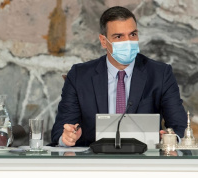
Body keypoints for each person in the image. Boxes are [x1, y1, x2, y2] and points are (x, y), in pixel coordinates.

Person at [51, 6, 187, 147]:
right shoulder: (79, 75)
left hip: (144, 161)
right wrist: (67, 137)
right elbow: (61, 128)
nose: (128, 42)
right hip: (93, 162)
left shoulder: (160, 74)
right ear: (104, 41)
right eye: (119, 37)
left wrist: (171, 139)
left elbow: (179, 125)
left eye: (132, 35)